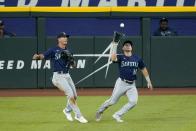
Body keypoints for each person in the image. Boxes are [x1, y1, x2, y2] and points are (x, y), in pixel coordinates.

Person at [32, 32, 88, 124]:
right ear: (59, 39)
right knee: (70, 94)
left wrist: (71, 61)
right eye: (63, 37)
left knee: (75, 96)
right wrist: (37, 56)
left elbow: (74, 66)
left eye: (66, 37)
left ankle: (67, 110)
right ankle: (79, 115)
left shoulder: (69, 51)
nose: (66, 38)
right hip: (58, 76)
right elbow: (43, 56)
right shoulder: (53, 50)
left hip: (67, 75)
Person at [96, 40, 153, 123]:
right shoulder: (120, 57)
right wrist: (115, 44)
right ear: (123, 48)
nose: (128, 46)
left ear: (132, 47)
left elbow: (143, 68)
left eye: (129, 45)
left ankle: (117, 115)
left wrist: (148, 81)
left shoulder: (137, 58)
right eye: (126, 45)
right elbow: (113, 58)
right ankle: (100, 111)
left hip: (132, 84)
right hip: (121, 83)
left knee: (133, 102)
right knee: (112, 101)